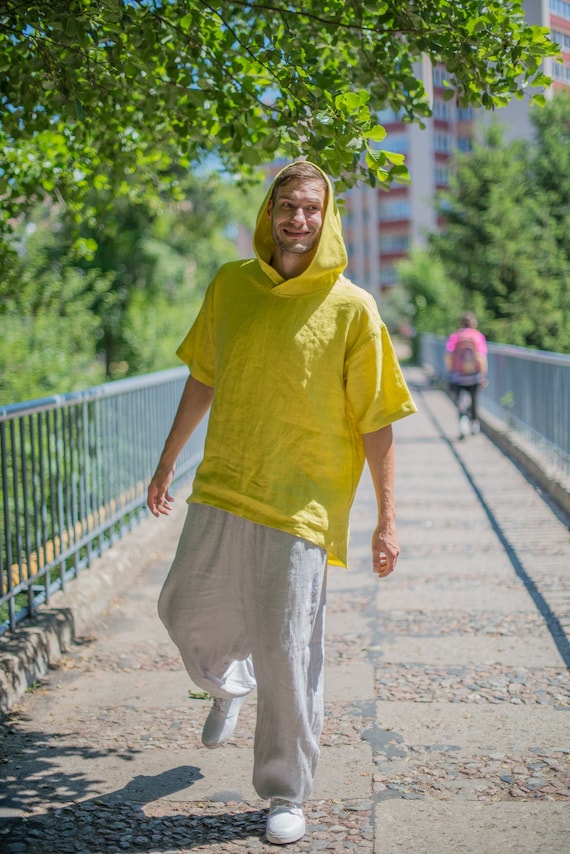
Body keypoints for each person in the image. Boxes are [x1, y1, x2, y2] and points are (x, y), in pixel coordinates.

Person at [147, 161, 416, 845]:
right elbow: (203, 376)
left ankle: (285, 791)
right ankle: (226, 684)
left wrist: (387, 518)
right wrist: (168, 458)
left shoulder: (352, 307)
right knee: (180, 610)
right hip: (224, 481)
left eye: (311, 209)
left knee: (288, 651)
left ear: (328, 220)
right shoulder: (231, 285)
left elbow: (377, 419)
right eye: (287, 207)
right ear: (269, 213)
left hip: (302, 504)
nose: (298, 220)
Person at [445, 311, 488, 438]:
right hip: (474, 375)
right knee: (474, 400)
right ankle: (474, 423)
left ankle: (463, 421)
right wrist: (483, 375)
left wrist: (450, 371)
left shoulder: (456, 336)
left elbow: (448, 356)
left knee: (460, 401)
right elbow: (481, 358)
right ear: (473, 323)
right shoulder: (477, 336)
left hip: (458, 375)